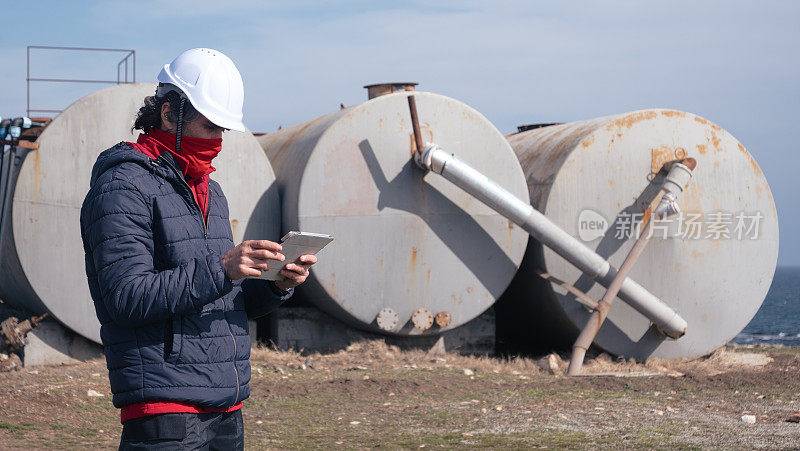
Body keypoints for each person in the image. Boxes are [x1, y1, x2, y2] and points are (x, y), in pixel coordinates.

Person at [80, 48, 316, 450]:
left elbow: (223, 301)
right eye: (211, 126)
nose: (219, 141)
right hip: (165, 410)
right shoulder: (122, 186)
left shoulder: (210, 191)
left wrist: (276, 284)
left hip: (225, 405)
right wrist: (223, 267)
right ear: (169, 114)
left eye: (224, 129)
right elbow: (125, 297)